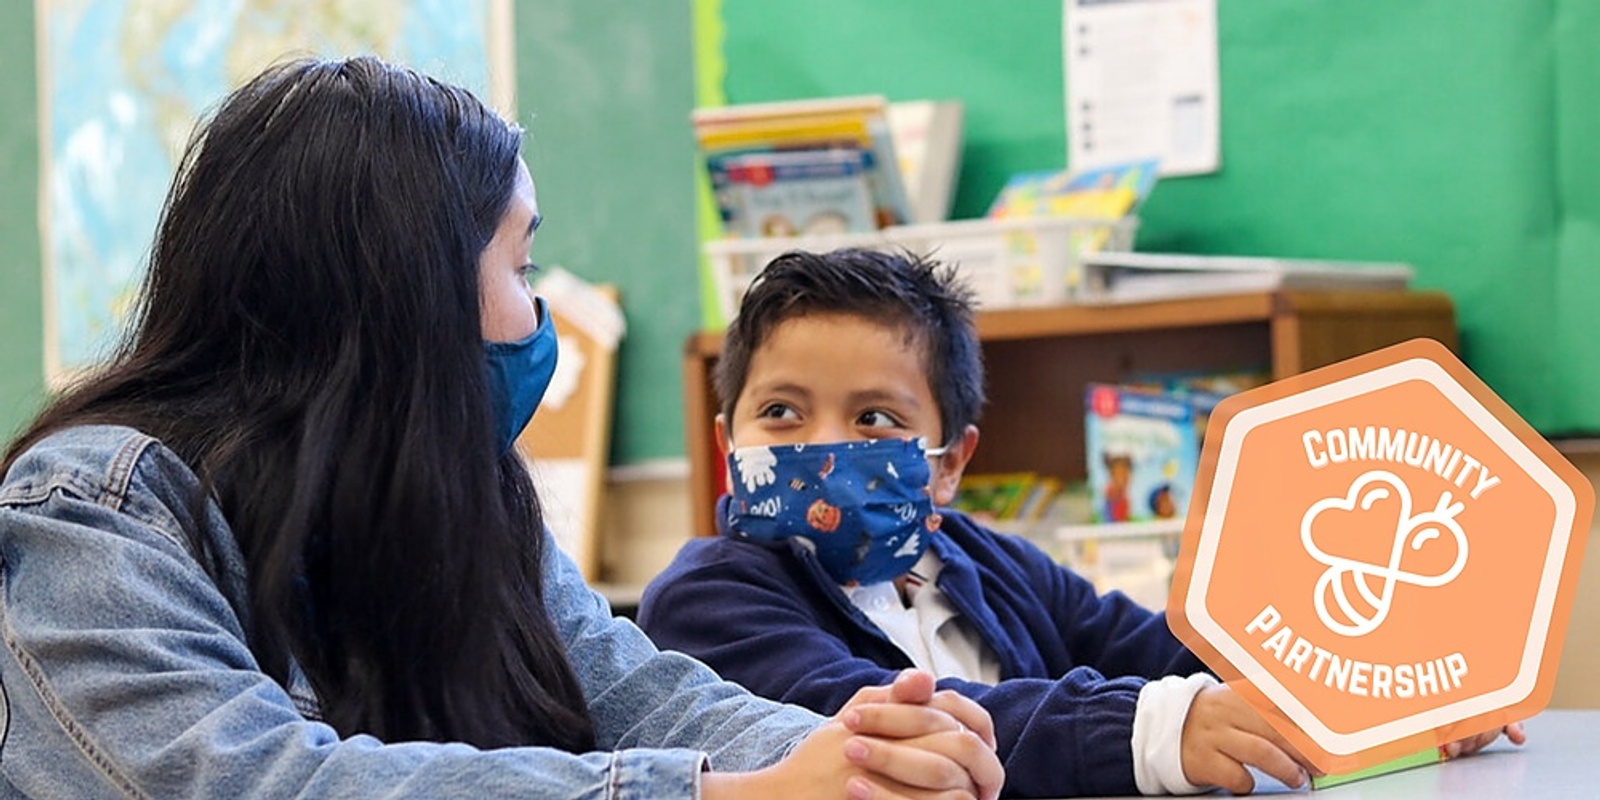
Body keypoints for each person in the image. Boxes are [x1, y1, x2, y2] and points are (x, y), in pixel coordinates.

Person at [0, 56, 1006, 799]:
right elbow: (251, 780)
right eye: (520, 269)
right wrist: (717, 792)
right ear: (401, 293)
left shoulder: (462, 497)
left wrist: (864, 748)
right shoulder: (93, 508)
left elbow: (637, 690)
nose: (539, 318)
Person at [636, 248, 1524, 797]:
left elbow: (1180, 650)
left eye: (874, 420)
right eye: (783, 414)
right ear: (727, 440)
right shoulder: (709, 597)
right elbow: (874, 733)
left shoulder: (984, 564)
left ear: (949, 464)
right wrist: (1153, 729)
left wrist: (1384, 693)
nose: (822, 446)